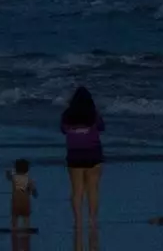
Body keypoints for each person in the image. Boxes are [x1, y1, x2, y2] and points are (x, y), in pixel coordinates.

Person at [62, 86, 104, 232]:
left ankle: (78, 220)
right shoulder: (93, 114)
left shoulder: (67, 115)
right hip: (93, 153)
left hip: (74, 155)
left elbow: (63, 130)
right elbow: (101, 127)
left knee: (77, 190)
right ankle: (92, 219)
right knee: (93, 189)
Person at [6, 158, 38, 232]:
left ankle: (14, 228)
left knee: (14, 216)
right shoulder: (29, 179)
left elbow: (8, 176)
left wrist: (10, 171)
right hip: (25, 202)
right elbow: (34, 192)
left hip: (16, 202)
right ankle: (26, 229)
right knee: (26, 218)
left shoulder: (14, 177)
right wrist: (33, 193)